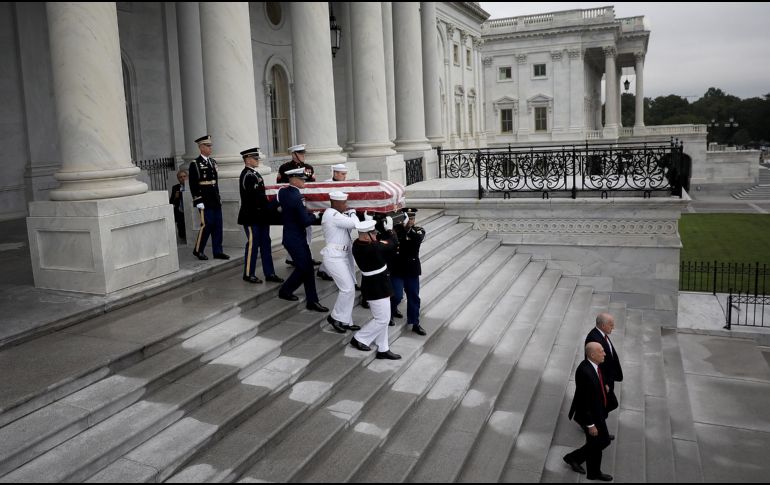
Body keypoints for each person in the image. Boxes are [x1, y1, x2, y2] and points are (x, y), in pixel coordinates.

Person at [349, 216, 401, 360]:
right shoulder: (373, 248)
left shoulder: (357, 244)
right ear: (366, 236)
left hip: (375, 283)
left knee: (382, 317)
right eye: (373, 234)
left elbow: (383, 244)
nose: (376, 235)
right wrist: (390, 230)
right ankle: (360, 338)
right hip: (377, 285)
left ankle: (383, 348)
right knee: (382, 319)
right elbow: (393, 243)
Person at [277, 167, 328, 312]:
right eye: (301, 179)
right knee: (304, 268)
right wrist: (316, 215)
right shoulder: (296, 196)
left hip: (291, 237)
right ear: (293, 179)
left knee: (306, 268)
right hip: (296, 239)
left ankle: (311, 300)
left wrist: (280, 209)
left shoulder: (283, 192)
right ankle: (287, 291)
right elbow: (305, 221)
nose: (304, 181)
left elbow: (276, 204)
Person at [563, 342, 614, 482]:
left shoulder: (595, 365)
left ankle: (572, 458)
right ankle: (594, 473)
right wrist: (590, 425)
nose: (604, 354)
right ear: (592, 354)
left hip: (597, 412)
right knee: (598, 444)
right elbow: (583, 401)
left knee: (600, 442)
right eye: (601, 351)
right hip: (590, 416)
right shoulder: (584, 372)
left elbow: (597, 380)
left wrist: (604, 385)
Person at [237, 147, 284, 285]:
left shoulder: (254, 174)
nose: (257, 160)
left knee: (265, 244)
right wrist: (274, 203)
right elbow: (256, 199)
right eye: (255, 158)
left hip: (261, 216)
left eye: (257, 158)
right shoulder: (247, 175)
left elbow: (261, 198)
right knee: (253, 244)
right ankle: (248, 273)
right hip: (251, 217)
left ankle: (269, 273)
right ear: (247, 159)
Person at [320, 191, 361, 333]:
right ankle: (335, 318)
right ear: (336, 203)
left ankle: (345, 321)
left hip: (342, 255)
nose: (346, 205)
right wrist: (353, 213)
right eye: (344, 203)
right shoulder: (332, 215)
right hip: (334, 257)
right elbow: (355, 224)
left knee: (349, 289)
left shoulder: (337, 215)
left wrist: (349, 213)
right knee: (347, 289)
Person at [277, 144, 321, 267]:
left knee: (308, 230)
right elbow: (280, 186)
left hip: (305, 202)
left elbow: (313, 186)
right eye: (301, 154)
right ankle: (297, 257)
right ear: (294, 155)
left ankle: (304, 256)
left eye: (303, 154)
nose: (303, 156)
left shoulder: (308, 168)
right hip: (292, 202)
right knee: (296, 230)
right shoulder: (285, 168)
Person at [189, 135, 229, 261]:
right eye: (207, 146)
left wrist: (218, 197)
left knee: (218, 225)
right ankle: (198, 250)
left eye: (210, 145)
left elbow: (214, 182)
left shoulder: (213, 162)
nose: (210, 148)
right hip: (204, 199)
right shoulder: (195, 164)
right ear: (201, 147)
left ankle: (217, 251)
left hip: (214, 198)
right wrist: (198, 200)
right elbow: (193, 184)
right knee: (207, 224)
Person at [390, 208, 427, 335]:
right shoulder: (396, 231)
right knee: (397, 295)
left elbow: (417, 239)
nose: (410, 221)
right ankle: (391, 310)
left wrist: (407, 228)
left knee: (414, 297)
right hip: (397, 268)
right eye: (408, 218)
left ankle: (415, 322)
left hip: (411, 269)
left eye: (412, 218)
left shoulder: (418, 230)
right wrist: (400, 227)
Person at [585, 312, 623, 424]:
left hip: (607, 377)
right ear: (603, 325)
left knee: (604, 405)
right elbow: (595, 363)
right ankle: (594, 426)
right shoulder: (594, 338)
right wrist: (603, 382)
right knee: (600, 404)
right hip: (603, 380)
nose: (613, 327)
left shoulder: (602, 335)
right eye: (611, 325)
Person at [317, 163, 349, 281]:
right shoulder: (326, 184)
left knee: (338, 243)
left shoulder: (346, 184)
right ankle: (324, 269)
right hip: (331, 218)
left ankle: (323, 269)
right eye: (342, 174)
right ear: (335, 173)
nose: (345, 177)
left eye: (345, 174)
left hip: (341, 218)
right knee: (333, 244)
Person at [169, 168, 188, 241]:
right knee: (181, 230)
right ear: (178, 179)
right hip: (180, 211)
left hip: (189, 210)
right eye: (180, 177)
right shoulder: (175, 188)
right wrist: (176, 197)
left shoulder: (191, 186)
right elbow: (171, 202)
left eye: (184, 176)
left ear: (187, 177)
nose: (183, 178)